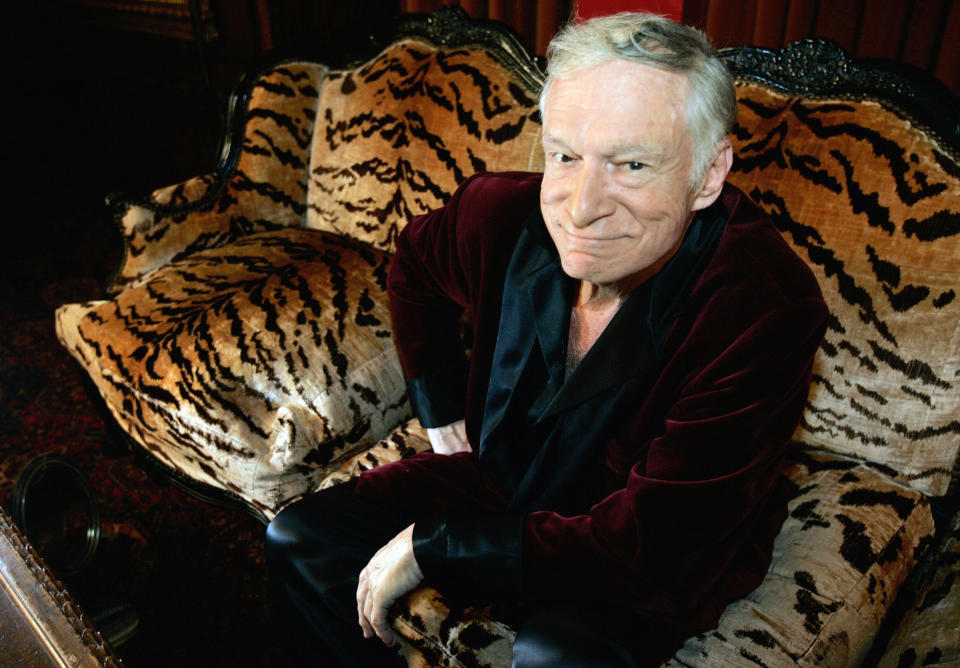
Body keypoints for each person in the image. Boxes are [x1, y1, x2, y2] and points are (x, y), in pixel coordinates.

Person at [266, 11, 828, 667]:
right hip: (506, 482)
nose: (581, 205)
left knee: (553, 656)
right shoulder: (500, 215)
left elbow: (650, 548)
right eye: (566, 155)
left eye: (632, 163)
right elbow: (415, 262)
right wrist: (440, 410)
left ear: (708, 174)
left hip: (643, 545)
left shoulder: (763, 309)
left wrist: (434, 546)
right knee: (300, 537)